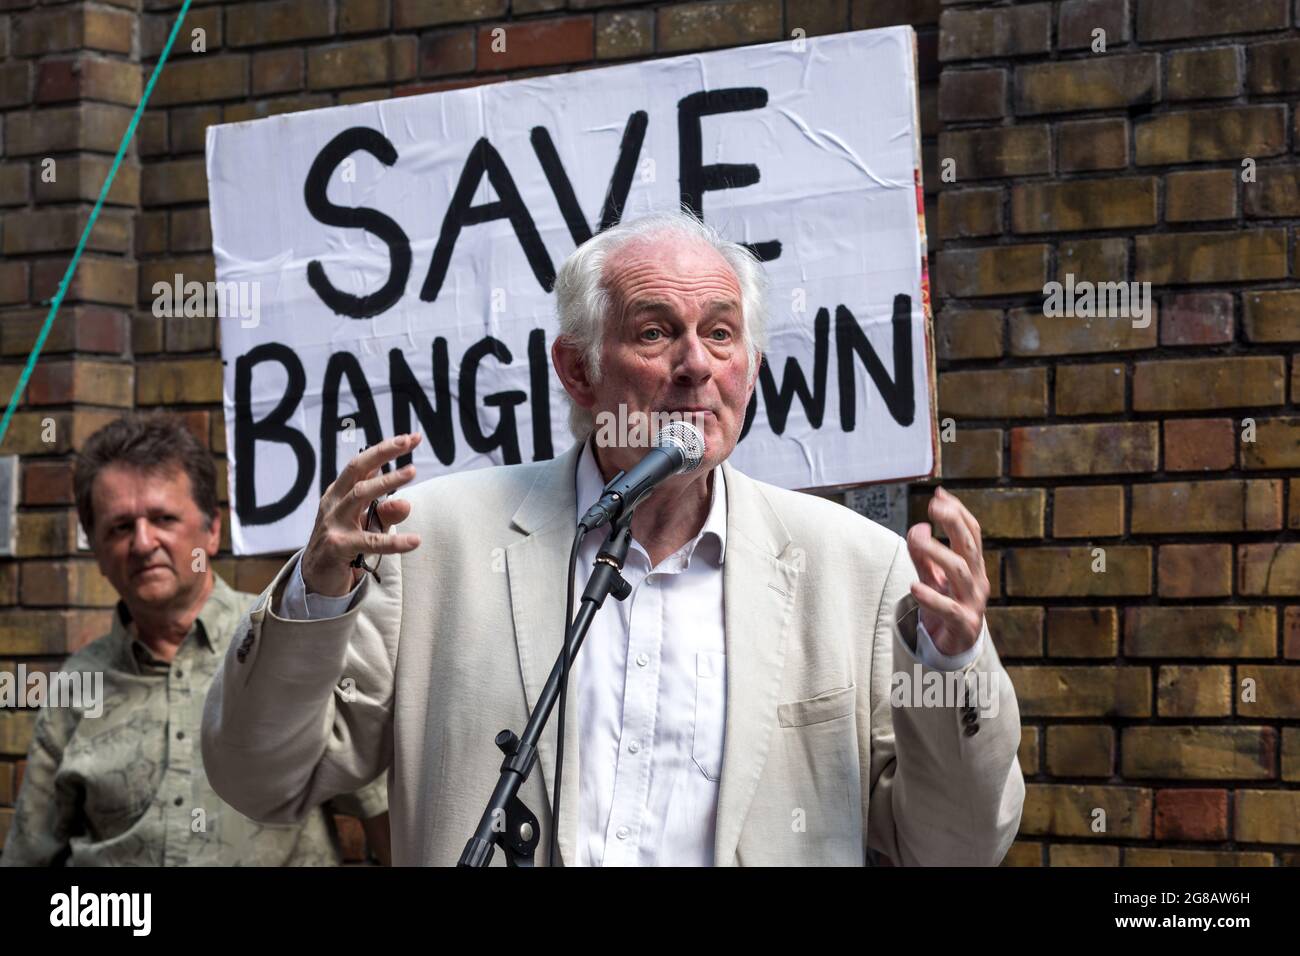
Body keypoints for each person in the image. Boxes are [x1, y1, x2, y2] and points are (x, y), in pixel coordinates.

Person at [202, 210, 1024, 866]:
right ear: (577, 371)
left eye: (723, 332)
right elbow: (260, 779)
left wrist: (952, 667)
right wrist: (314, 592)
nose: (696, 365)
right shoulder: (437, 546)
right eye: (657, 331)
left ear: (752, 372)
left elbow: (953, 847)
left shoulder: (856, 569)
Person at [1, 414, 390, 866]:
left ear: (212, 530)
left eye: (163, 518)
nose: (143, 543)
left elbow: (386, 822)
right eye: (120, 527)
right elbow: (30, 854)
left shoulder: (292, 643)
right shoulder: (77, 686)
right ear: (97, 549)